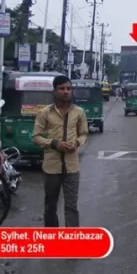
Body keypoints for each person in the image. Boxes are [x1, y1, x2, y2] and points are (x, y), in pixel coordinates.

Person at [32, 75, 89, 227]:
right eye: (62, 88)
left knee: (71, 206)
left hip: (72, 167)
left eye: (69, 89)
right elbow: (36, 137)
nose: (66, 92)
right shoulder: (45, 112)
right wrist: (54, 143)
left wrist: (76, 143)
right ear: (55, 91)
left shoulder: (79, 112)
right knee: (50, 206)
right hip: (52, 167)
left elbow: (84, 134)